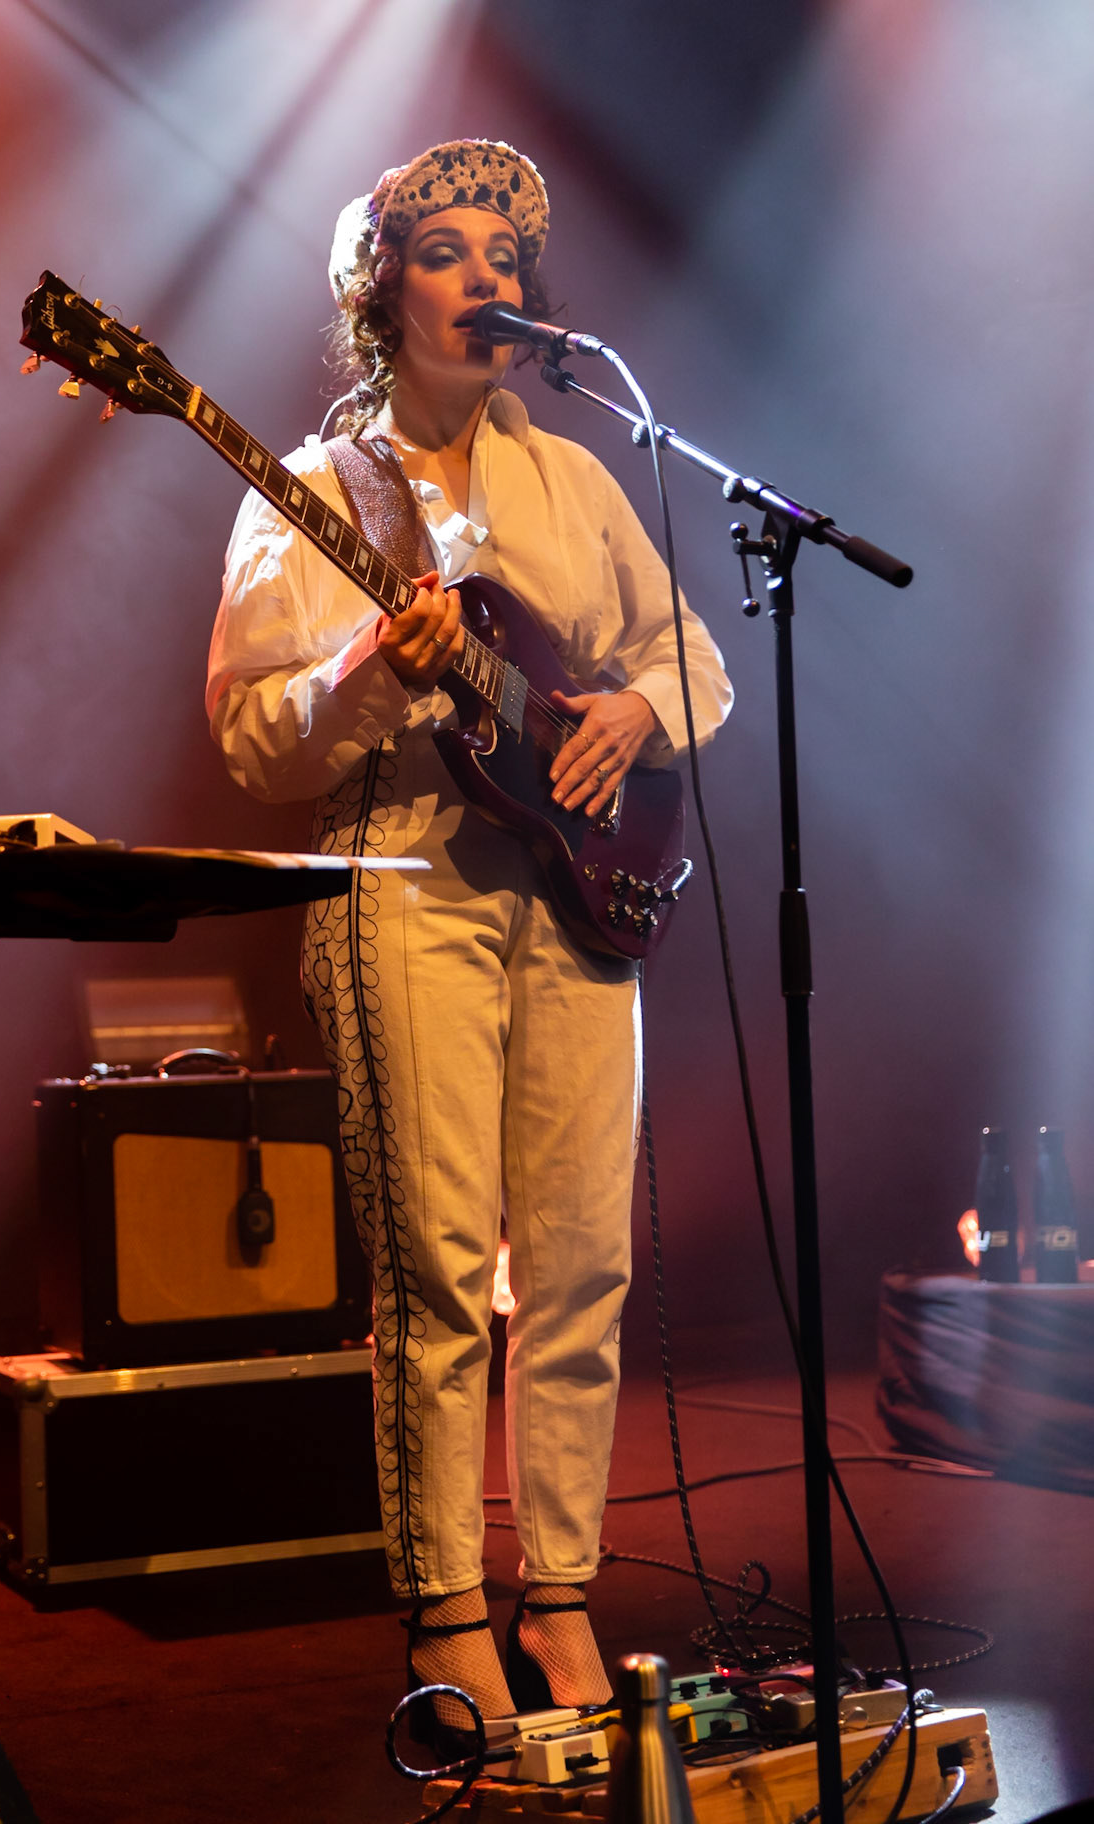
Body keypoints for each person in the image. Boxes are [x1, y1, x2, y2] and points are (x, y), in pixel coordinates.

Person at [207, 139, 732, 1739]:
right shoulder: (314, 489)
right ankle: (445, 1607)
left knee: (580, 1260)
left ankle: (556, 1596)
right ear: (381, 290)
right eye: (447, 250)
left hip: (576, 894)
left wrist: (634, 711)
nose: (487, 274)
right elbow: (247, 731)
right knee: (440, 1273)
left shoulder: (574, 475)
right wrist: (365, 664)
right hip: (403, 886)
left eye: (505, 252)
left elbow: (693, 659)